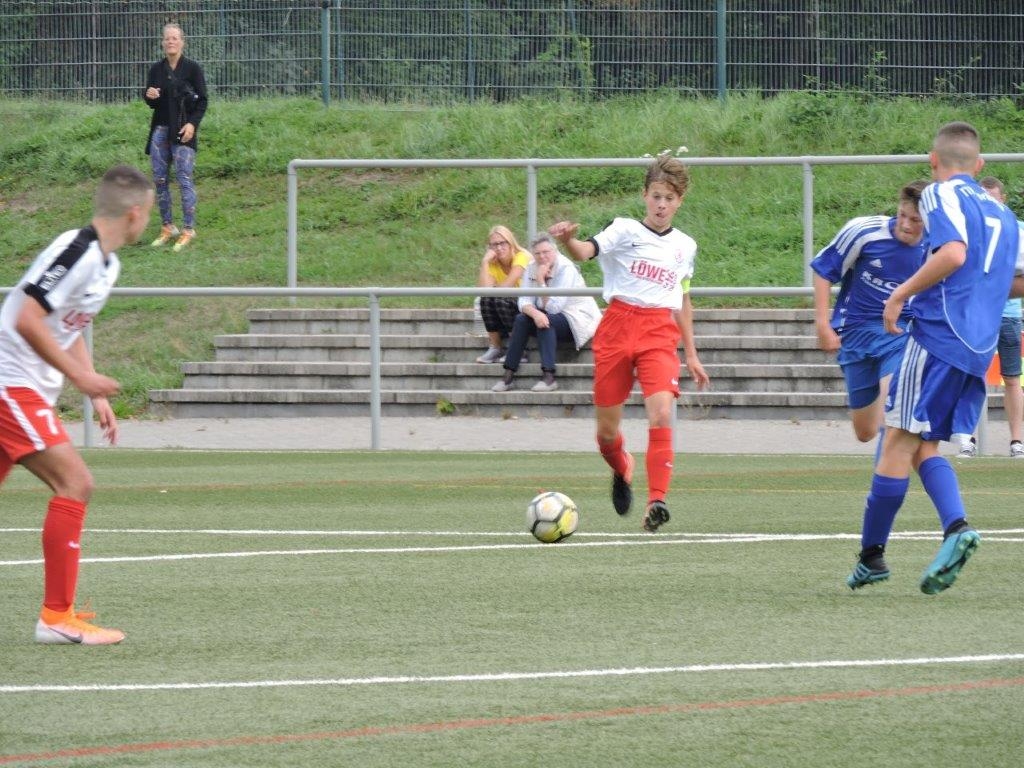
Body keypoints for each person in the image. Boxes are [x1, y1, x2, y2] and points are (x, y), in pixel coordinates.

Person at [847, 121, 1024, 594]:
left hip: (938, 334)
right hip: (978, 347)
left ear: (933, 161)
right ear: (979, 165)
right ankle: (953, 527)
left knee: (896, 439)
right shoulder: (1005, 214)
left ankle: (872, 557)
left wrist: (899, 294)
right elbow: (1015, 279)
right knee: (923, 444)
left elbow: (953, 254)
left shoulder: (940, 194)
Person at [0, 165, 155, 645]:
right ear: (135, 213)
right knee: (75, 482)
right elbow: (27, 318)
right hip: (9, 383)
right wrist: (81, 377)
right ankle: (56, 617)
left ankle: (57, 615)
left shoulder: (108, 265)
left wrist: (91, 388)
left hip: (23, 387)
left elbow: (67, 327)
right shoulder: (77, 251)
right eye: (150, 212)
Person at [549, 154, 710, 533]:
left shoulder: (685, 246)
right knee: (606, 433)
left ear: (680, 201)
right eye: (656, 196)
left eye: (669, 198)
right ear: (644, 195)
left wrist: (692, 354)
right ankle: (622, 466)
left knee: (662, 413)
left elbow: (683, 299)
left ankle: (657, 502)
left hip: (658, 331)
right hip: (618, 326)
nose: (661, 205)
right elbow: (585, 252)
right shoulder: (623, 230)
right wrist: (569, 240)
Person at [811, 180, 928, 450]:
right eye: (902, 215)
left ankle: (888, 476)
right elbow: (823, 270)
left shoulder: (937, 246)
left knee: (893, 412)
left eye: (915, 220)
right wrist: (822, 324)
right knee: (865, 432)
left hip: (901, 333)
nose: (906, 225)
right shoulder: (864, 231)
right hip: (856, 333)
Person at [956, 176, 1024, 458]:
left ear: (1003, 199)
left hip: (1007, 315)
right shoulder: (971, 228)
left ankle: (1017, 441)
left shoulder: (1018, 229)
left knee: (1012, 378)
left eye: (994, 199)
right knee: (972, 376)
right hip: (976, 316)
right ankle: (967, 439)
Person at [491, 234, 601, 393]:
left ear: (554, 251)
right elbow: (523, 301)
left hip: (576, 318)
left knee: (546, 321)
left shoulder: (566, 268)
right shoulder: (531, 266)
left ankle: (549, 376)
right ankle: (508, 374)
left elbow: (555, 308)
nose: (542, 257)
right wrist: (535, 314)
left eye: (546, 252)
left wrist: (541, 281)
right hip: (547, 315)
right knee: (521, 319)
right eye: (537, 253)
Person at [144, 21, 208, 253]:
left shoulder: (192, 69)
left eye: (175, 38)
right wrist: (149, 95)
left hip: (183, 130)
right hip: (160, 129)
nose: (171, 41)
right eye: (167, 38)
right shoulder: (156, 70)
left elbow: (203, 101)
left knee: (184, 178)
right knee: (160, 179)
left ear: (182, 42)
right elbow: (151, 101)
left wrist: (192, 124)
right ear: (163, 43)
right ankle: (167, 226)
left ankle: (188, 229)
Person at [475, 225, 532, 363]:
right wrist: (485, 262)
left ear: (510, 243)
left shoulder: (522, 256)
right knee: (485, 300)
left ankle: (517, 348)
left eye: (502, 243)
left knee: (500, 298)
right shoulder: (493, 263)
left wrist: (493, 288)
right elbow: (483, 291)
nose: (499, 248)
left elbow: (507, 286)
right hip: (506, 308)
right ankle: (495, 347)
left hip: (528, 306)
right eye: (494, 245)